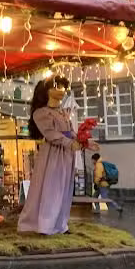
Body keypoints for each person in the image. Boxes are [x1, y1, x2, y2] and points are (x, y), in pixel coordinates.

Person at [18, 76, 97, 235]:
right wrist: (69, 143)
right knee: (51, 188)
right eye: (58, 86)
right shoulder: (41, 113)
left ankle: (60, 224)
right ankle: (45, 225)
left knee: (64, 189)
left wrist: (85, 142)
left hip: (66, 155)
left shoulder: (62, 112)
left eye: (63, 87)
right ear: (47, 90)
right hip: (53, 155)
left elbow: (71, 132)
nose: (62, 90)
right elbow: (50, 134)